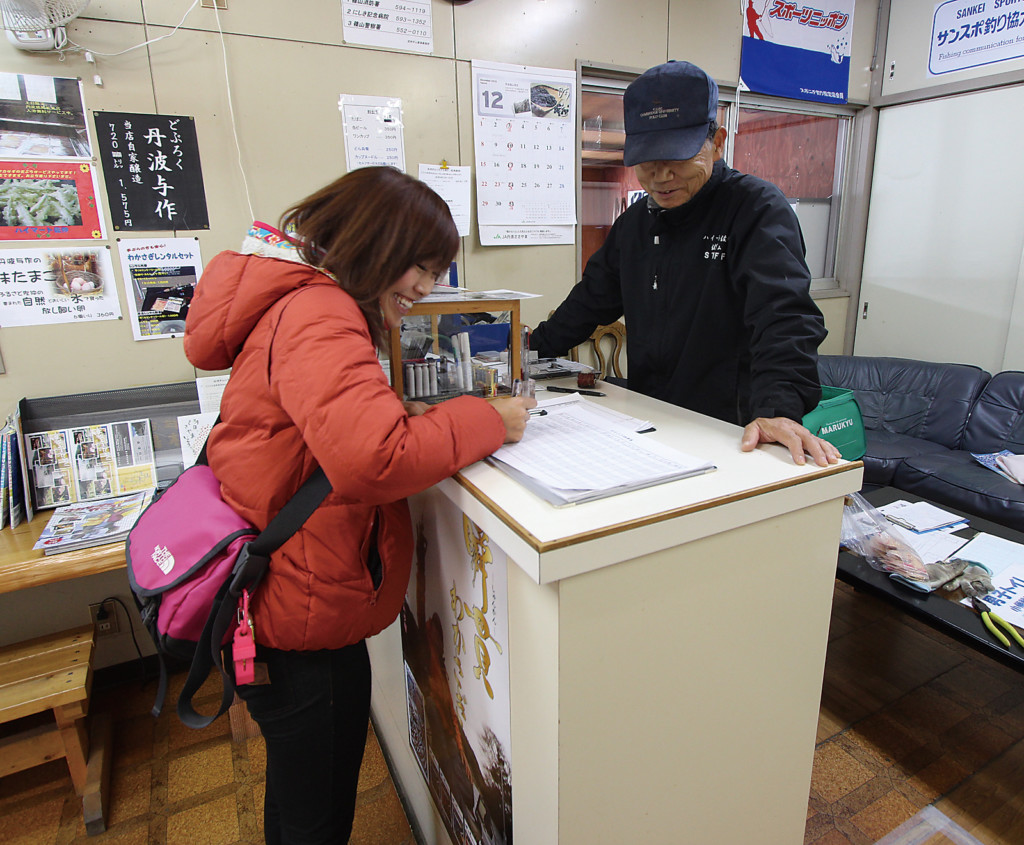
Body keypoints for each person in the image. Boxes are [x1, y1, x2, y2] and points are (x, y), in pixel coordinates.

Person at [183, 166, 535, 844]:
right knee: (316, 810)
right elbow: (376, 457)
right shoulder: (321, 310)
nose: (426, 288)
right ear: (380, 241)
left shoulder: (300, 299)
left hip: (289, 598)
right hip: (291, 613)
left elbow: (329, 430)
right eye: (422, 268)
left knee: (301, 791)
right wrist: (492, 420)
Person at [531, 60, 841, 467]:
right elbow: (588, 302)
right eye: (647, 161)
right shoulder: (635, 225)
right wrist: (525, 353)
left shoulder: (755, 209)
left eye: (676, 158)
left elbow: (784, 318)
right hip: (651, 418)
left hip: (733, 428)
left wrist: (778, 408)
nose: (660, 177)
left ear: (717, 142)